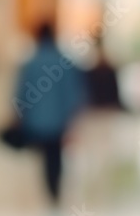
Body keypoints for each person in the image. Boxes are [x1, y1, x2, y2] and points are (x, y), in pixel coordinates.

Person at [12, 21, 86, 203]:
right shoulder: (64, 62)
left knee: (46, 156)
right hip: (59, 120)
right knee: (55, 155)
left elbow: (22, 94)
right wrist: (73, 119)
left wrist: (18, 116)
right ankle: (55, 189)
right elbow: (73, 94)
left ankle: (50, 189)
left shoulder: (30, 64)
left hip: (37, 120)